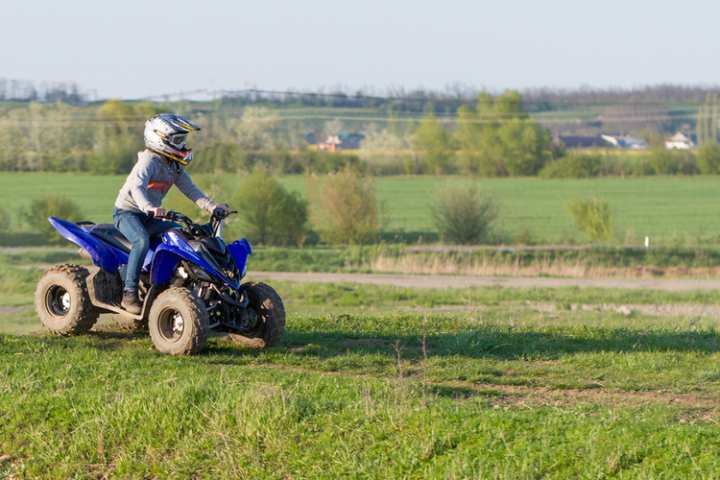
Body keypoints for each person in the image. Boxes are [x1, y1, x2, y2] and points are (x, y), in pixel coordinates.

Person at [112, 113, 228, 314]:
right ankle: (129, 293)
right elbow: (136, 187)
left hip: (151, 215)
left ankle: (170, 282)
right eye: (177, 140)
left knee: (179, 234)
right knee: (141, 240)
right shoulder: (148, 161)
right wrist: (148, 206)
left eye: (183, 140)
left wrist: (213, 207)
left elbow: (191, 190)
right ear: (159, 138)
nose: (182, 145)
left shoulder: (173, 166)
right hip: (128, 213)